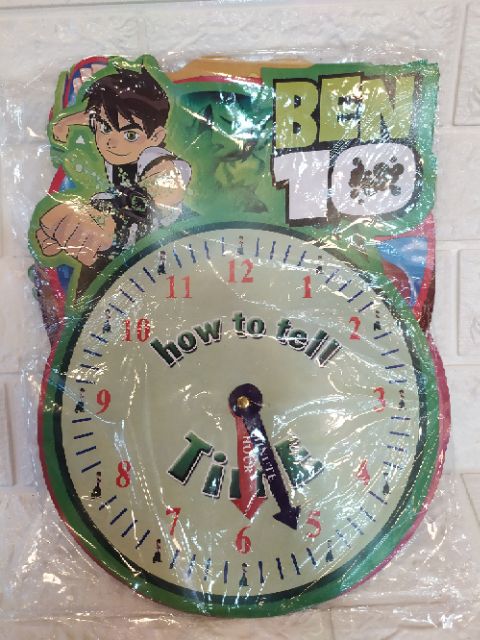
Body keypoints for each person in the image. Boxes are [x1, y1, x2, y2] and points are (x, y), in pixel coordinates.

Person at [36, 66, 191, 279]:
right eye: (105, 129)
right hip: (128, 250)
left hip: (171, 245)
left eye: (130, 135)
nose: (111, 142)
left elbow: (166, 188)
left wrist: (114, 222)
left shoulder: (155, 157)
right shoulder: (114, 143)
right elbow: (66, 127)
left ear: (156, 136)